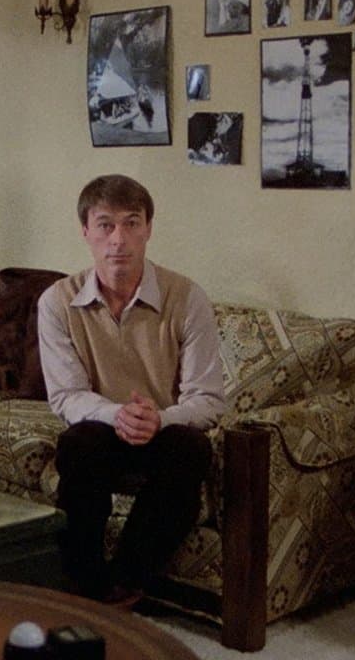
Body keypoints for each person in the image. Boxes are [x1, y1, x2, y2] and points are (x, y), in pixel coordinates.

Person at [37, 175, 226, 606]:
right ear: (86, 231)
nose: (118, 239)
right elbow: (66, 395)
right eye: (105, 225)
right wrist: (117, 414)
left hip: (164, 429)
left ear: (149, 229)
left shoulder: (187, 297)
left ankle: (128, 578)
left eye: (131, 223)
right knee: (77, 443)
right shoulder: (57, 302)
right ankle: (84, 580)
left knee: (192, 448)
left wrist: (158, 418)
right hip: (101, 427)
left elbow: (208, 399)